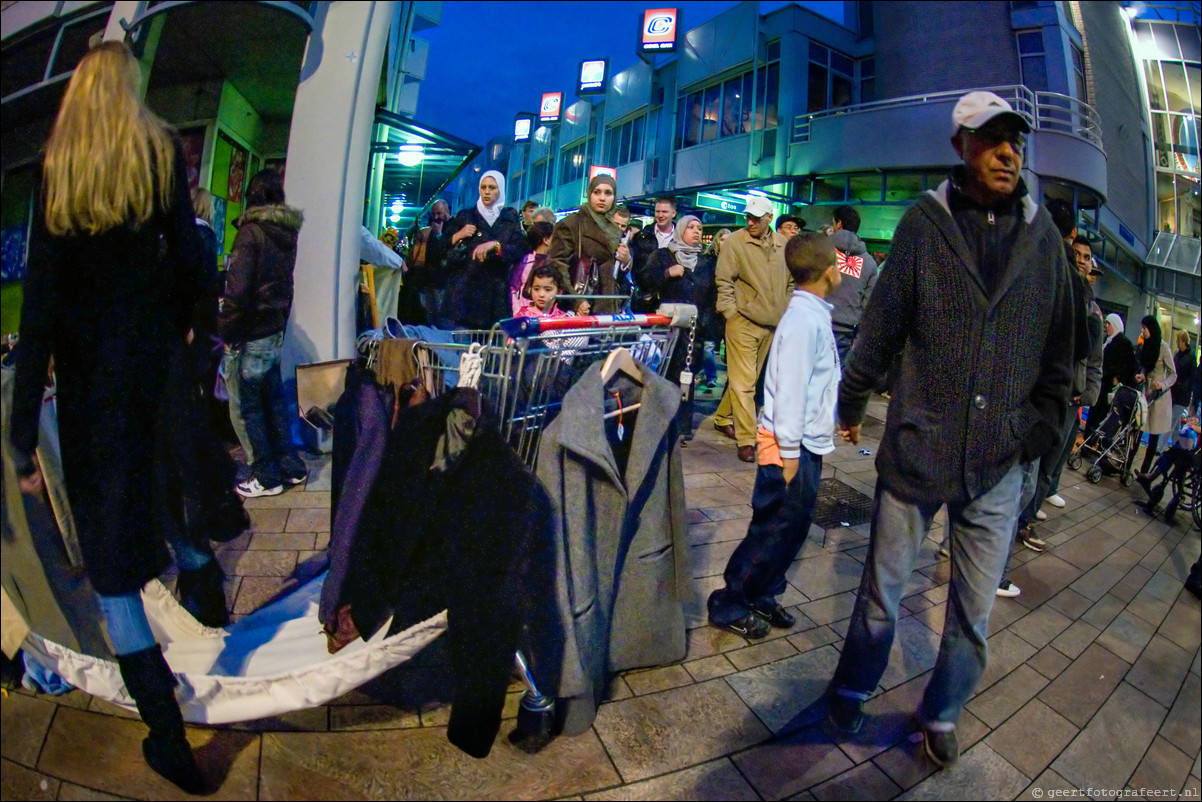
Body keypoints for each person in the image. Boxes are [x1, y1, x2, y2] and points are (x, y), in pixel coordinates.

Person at [825, 91, 1075, 769]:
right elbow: (882, 326)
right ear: (960, 145)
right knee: (880, 596)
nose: (1007, 153)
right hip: (919, 446)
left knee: (972, 616)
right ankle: (850, 690)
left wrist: (1039, 433)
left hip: (999, 463)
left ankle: (940, 713)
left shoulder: (1043, 236)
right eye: (991, 139)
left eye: (1015, 141)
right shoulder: (924, 224)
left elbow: (1062, 348)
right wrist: (849, 405)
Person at [12, 41, 217, 794]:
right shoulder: (158, 149)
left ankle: (166, 733)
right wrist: (190, 319)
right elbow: (192, 251)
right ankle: (210, 602)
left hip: (92, 385)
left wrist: (20, 437)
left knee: (110, 558)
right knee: (171, 499)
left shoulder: (57, 167)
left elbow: (40, 305)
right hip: (155, 369)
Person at [707, 232, 844, 638]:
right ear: (830, 271)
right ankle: (729, 602)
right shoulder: (803, 320)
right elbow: (789, 392)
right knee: (770, 532)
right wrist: (787, 455)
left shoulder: (812, 312)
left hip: (803, 445)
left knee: (792, 529)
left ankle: (763, 594)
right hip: (789, 448)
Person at [219, 168, 308, 499]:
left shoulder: (251, 232)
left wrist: (225, 329)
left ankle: (266, 475)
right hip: (272, 330)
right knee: (272, 400)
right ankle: (291, 466)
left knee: (248, 407)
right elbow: (288, 284)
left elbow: (237, 289)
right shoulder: (286, 233)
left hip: (251, 330)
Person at [712, 195, 792, 462]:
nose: (750, 221)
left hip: (771, 324)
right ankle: (747, 439)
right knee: (745, 383)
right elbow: (723, 280)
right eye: (748, 216)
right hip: (743, 322)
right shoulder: (736, 241)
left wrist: (785, 308)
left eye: (756, 217)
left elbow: (791, 282)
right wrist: (731, 313)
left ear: (770, 217)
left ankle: (723, 416)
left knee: (745, 380)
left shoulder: (783, 245)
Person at [634, 215, 716, 439]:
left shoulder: (707, 262)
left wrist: (707, 325)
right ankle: (661, 423)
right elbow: (643, 280)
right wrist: (667, 273)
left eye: (699, 228)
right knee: (666, 375)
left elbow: (711, 296)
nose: (696, 231)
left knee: (687, 377)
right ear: (680, 230)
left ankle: (682, 428)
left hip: (693, 330)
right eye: (690, 227)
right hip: (667, 329)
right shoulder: (664, 256)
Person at [441, 170, 527, 329]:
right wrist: (458, 235)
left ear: (500, 189)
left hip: (496, 297)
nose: (487, 192)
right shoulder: (466, 216)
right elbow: (440, 247)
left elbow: (521, 247)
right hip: (466, 296)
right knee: (466, 349)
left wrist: (496, 246)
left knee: (493, 349)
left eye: (492, 187)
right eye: (483, 187)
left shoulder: (509, 219)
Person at [545, 173, 631, 315]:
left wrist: (627, 261)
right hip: (581, 306)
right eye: (597, 192)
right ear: (589, 194)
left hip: (609, 305)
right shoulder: (572, 224)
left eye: (608, 193)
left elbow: (614, 271)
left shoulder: (613, 229)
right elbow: (557, 265)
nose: (602, 198)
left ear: (614, 197)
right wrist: (576, 300)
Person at [826, 206, 880, 364]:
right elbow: (868, 303)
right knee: (834, 382)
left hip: (816, 323)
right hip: (846, 332)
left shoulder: (821, 249)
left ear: (839, 224)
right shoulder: (870, 263)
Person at [1086, 313, 1139, 444]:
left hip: (1110, 387)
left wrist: (1117, 377)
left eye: (1109, 324)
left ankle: (1093, 442)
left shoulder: (1122, 343)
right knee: (1096, 413)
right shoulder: (1109, 341)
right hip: (1103, 383)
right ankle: (1089, 441)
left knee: (1102, 415)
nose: (1107, 327)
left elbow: (1127, 365)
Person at [1134, 315, 1177, 475]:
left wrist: (1162, 384)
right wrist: (1142, 375)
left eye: (1144, 328)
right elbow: (1146, 366)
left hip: (1158, 398)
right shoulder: (1146, 346)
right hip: (1146, 394)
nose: (1142, 331)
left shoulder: (1163, 347)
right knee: (1137, 429)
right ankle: (1129, 464)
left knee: (1153, 436)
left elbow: (1173, 374)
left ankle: (1145, 471)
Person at [699, 229, 733, 392]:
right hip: (711, 311)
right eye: (722, 239)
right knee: (708, 347)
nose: (725, 243)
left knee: (729, 349)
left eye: (728, 239)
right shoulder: (708, 261)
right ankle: (711, 376)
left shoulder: (736, 261)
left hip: (729, 312)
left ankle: (730, 380)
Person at [509, 220, 554, 315]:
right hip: (525, 313)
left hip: (548, 314)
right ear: (546, 240)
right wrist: (517, 309)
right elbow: (512, 287)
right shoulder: (525, 261)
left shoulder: (556, 261)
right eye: (554, 237)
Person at [630, 195, 678, 273]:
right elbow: (634, 265)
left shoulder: (681, 238)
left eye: (664, 212)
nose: (660, 215)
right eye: (657, 211)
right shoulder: (642, 237)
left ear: (673, 213)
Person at [1170, 329, 1196, 428]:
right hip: (1175, 391)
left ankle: (1160, 444)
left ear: (1183, 341)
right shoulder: (1178, 354)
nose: (1176, 342)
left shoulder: (1191, 357)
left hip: (1182, 394)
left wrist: (1184, 387)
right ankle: (1176, 442)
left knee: (1172, 421)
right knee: (1176, 422)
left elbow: (1192, 376)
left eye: (1178, 340)